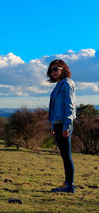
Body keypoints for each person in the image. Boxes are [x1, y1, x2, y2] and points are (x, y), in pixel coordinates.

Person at [47, 59, 76, 193]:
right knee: (64, 155)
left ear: (63, 69)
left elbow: (70, 107)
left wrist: (66, 126)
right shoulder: (59, 84)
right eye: (51, 70)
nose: (53, 72)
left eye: (56, 69)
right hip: (58, 124)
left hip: (63, 124)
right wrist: (53, 125)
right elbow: (54, 108)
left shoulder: (67, 84)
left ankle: (69, 185)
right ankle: (67, 184)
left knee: (66, 155)